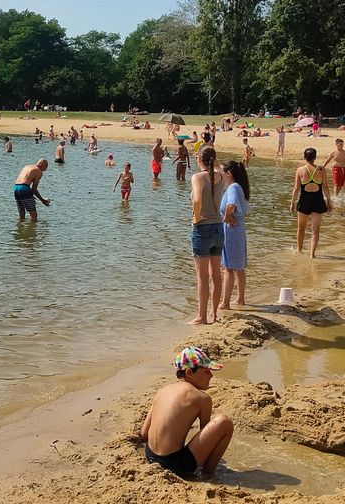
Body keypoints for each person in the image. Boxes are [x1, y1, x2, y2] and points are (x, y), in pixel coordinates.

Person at [139, 347, 233, 477]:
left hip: (150, 455)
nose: (211, 375)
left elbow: (144, 434)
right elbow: (207, 441)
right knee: (224, 422)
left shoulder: (162, 391)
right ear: (189, 373)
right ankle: (208, 473)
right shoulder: (202, 398)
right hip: (174, 464)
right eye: (206, 371)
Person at [189, 146, 227, 324]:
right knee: (216, 275)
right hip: (219, 227)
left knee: (202, 277)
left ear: (199, 160)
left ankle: (202, 317)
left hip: (203, 228)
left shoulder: (198, 177)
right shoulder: (221, 176)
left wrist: (196, 217)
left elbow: (197, 199)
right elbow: (217, 166)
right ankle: (214, 314)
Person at [218, 160, 250, 308]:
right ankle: (240, 299)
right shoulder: (239, 187)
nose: (221, 175)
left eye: (222, 172)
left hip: (232, 230)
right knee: (238, 267)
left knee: (229, 268)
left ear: (229, 173)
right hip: (238, 229)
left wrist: (226, 217)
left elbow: (231, 204)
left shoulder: (233, 187)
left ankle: (225, 302)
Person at [290, 148, 332, 257]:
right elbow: (325, 187)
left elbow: (296, 188)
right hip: (318, 201)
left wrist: (292, 203)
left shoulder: (300, 170)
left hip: (304, 201)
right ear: (315, 157)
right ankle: (312, 254)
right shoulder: (321, 170)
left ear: (305, 157)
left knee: (301, 228)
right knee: (315, 231)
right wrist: (329, 201)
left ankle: (299, 250)